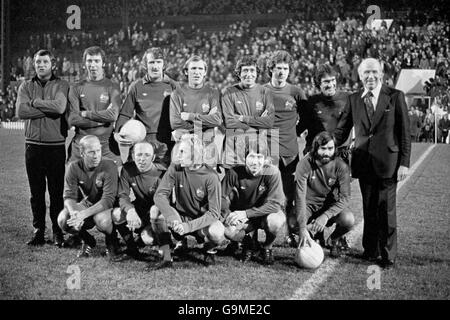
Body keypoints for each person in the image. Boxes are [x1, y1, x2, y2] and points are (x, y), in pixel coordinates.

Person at [334, 58, 411, 268]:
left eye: (374, 72)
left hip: (389, 163)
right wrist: (326, 144)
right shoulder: (354, 99)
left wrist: (404, 163)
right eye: (366, 73)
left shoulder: (395, 96)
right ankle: (370, 251)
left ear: (381, 74)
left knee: (386, 210)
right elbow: (342, 130)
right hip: (364, 162)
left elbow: (405, 133)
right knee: (369, 209)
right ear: (360, 76)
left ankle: (388, 255)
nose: (370, 76)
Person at [16, 49, 69, 247]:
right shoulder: (25, 86)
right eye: (38, 62)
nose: (40, 65)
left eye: (45, 62)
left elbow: (60, 108)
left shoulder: (62, 84)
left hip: (55, 147)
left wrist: (36, 103)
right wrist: (49, 109)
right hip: (33, 147)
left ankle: (57, 231)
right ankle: (38, 230)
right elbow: (21, 111)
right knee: (36, 193)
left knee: (56, 192)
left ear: (52, 64)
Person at [153, 135, 226, 269]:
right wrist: (171, 216)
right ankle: (167, 256)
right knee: (157, 215)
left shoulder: (211, 177)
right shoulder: (175, 168)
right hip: (180, 217)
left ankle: (209, 248)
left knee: (217, 231)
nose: (177, 155)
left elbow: (214, 213)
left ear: (195, 153)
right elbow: (160, 195)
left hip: (201, 221)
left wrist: (188, 227)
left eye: (182, 152)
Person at [264, 50, 307, 248]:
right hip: (268, 152)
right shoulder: (262, 90)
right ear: (271, 69)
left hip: (290, 152)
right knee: (268, 196)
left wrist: (295, 131)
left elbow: (307, 118)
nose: (282, 72)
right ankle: (265, 238)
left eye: (285, 68)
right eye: (278, 68)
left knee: (290, 196)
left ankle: (291, 233)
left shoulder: (296, 92)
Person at [221, 142, 286, 265]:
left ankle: (267, 247)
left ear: (266, 159)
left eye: (259, 157)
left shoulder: (273, 172)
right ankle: (249, 242)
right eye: (251, 157)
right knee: (228, 231)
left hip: (265, 213)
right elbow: (220, 197)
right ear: (244, 158)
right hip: (243, 215)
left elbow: (274, 205)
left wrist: (246, 213)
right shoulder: (234, 172)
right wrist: (228, 214)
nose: (255, 162)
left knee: (275, 222)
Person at [57, 135, 120, 260]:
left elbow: (108, 200)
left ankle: (112, 241)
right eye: (91, 152)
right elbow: (69, 196)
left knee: (101, 220)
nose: (96, 155)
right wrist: (74, 212)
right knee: (63, 219)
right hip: (89, 203)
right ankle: (87, 240)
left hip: (109, 206)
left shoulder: (109, 165)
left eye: (98, 151)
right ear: (82, 153)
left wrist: (83, 214)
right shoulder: (74, 167)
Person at [295, 131, 354, 258]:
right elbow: (300, 197)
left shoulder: (341, 166)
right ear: (315, 148)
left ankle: (333, 240)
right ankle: (311, 239)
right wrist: (302, 228)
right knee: (293, 222)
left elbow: (345, 198)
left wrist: (326, 216)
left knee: (348, 220)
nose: (327, 152)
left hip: (329, 206)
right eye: (323, 148)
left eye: (330, 148)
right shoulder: (304, 164)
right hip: (309, 206)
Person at [115, 47, 178, 167]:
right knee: (138, 181)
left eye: (158, 62)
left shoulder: (174, 86)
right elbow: (125, 113)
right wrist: (117, 132)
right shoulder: (136, 87)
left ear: (164, 65)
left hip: (166, 147)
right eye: (151, 62)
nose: (155, 66)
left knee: (163, 183)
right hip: (141, 145)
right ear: (145, 65)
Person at [67, 46, 122, 165]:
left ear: (103, 63)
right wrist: (102, 120)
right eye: (89, 61)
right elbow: (73, 119)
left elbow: (113, 115)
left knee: (110, 182)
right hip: (81, 146)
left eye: (97, 61)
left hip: (106, 147)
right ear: (84, 63)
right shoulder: (75, 87)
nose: (93, 64)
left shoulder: (113, 87)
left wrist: (86, 114)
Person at [112, 141, 166, 259]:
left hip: (157, 213)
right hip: (141, 209)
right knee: (116, 213)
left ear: (153, 157)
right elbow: (122, 195)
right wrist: (130, 211)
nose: (142, 159)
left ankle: (165, 249)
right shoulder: (127, 169)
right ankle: (132, 249)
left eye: (147, 155)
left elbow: (164, 203)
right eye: (139, 154)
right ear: (133, 156)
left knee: (148, 239)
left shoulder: (161, 173)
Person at [221, 55, 275, 166]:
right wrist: (258, 123)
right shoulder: (229, 92)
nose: (249, 74)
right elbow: (229, 122)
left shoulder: (266, 92)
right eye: (245, 70)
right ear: (239, 73)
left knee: (257, 181)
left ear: (257, 73)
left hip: (258, 147)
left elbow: (269, 122)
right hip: (234, 148)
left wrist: (242, 118)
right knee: (233, 180)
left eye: (252, 70)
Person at [169, 55, 223, 161]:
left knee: (209, 177)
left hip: (207, 149)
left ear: (204, 72)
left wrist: (190, 116)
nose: (197, 72)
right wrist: (206, 122)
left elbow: (217, 120)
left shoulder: (212, 92)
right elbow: (175, 123)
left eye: (200, 69)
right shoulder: (177, 94)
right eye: (193, 68)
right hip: (184, 148)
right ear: (186, 72)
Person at [297, 64, 351, 160]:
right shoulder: (312, 102)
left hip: (341, 155)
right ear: (319, 83)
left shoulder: (348, 99)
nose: (330, 85)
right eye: (326, 81)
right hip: (317, 154)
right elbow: (300, 127)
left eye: (333, 80)